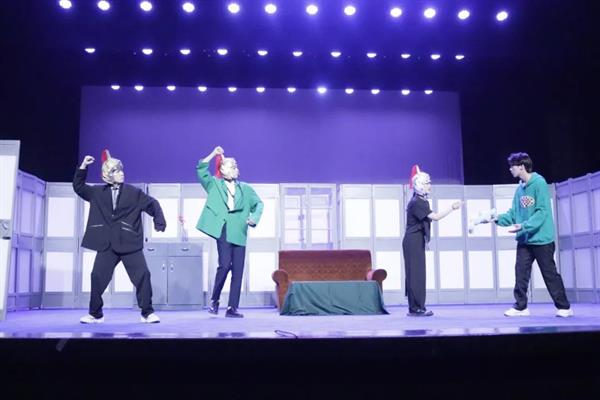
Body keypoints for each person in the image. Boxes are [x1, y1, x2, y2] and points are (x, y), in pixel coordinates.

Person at [73, 150, 166, 324]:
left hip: (129, 243)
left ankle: (147, 312)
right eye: (116, 171)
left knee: (143, 275)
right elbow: (79, 187)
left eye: (121, 170)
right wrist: (84, 166)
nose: (121, 173)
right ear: (107, 174)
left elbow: (152, 203)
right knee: (97, 276)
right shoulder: (97, 192)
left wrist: (159, 221)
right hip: (107, 244)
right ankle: (95, 314)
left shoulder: (134, 193)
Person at [495, 152, 573, 317]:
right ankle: (521, 307)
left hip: (541, 239)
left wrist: (524, 226)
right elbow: (513, 214)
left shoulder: (539, 183)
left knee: (549, 273)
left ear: (521, 167)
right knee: (520, 273)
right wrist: (495, 218)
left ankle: (564, 307)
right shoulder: (520, 189)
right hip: (525, 240)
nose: (510, 169)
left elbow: (542, 212)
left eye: (512, 166)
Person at [196, 146, 263, 318]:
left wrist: (254, 218)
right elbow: (201, 169)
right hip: (224, 229)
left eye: (236, 166)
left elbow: (259, 204)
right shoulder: (214, 184)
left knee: (238, 270)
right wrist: (214, 154)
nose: (235, 168)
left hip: (239, 230)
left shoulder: (245, 188)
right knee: (225, 265)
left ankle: (232, 307)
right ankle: (215, 300)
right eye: (231, 165)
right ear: (222, 169)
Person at [403, 165, 461, 317]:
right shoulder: (417, 202)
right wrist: (452, 208)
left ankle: (416, 307)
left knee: (417, 274)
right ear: (420, 185)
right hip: (412, 241)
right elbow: (435, 217)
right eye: (427, 183)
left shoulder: (421, 201)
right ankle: (416, 308)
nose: (430, 185)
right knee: (415, 274)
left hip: (416, 240)